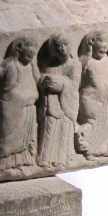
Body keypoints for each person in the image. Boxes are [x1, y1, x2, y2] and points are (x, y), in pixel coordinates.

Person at [76, 30, 108, 159]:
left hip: (105, 97)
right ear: (92, 41)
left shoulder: (106, 60)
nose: (106, 46)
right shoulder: (85, 62)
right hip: (91, 99)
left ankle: (105, 148)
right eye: (103, 42)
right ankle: (88, 147)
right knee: (94, 122)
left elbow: (106, 78)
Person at [36, 33, 82, 169]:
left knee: (64, 131)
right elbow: (40, 79)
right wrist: (44, 81)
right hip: (50, 103)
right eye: (58, 46)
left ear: (70, 45)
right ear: (53, 49)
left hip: (66, 105)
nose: (62, 49)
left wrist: (61, 83)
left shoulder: (75, 65)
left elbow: (74, 86)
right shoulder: (47, 63)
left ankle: (62, 160)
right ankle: (45, 159)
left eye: (65, 45)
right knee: (49, 130)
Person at [0, 36, 40, 168]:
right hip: (13, 109)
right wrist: (26, 98)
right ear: (19, 47)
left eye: (32, 56)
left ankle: (24, 161)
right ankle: (7, 164)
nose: (30, 59)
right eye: (28, 56)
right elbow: (8, 91)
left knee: (26, 139)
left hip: (28, 109)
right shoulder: (11, 66)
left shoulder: (30, 65)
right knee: (10, 138)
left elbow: (36, 82)